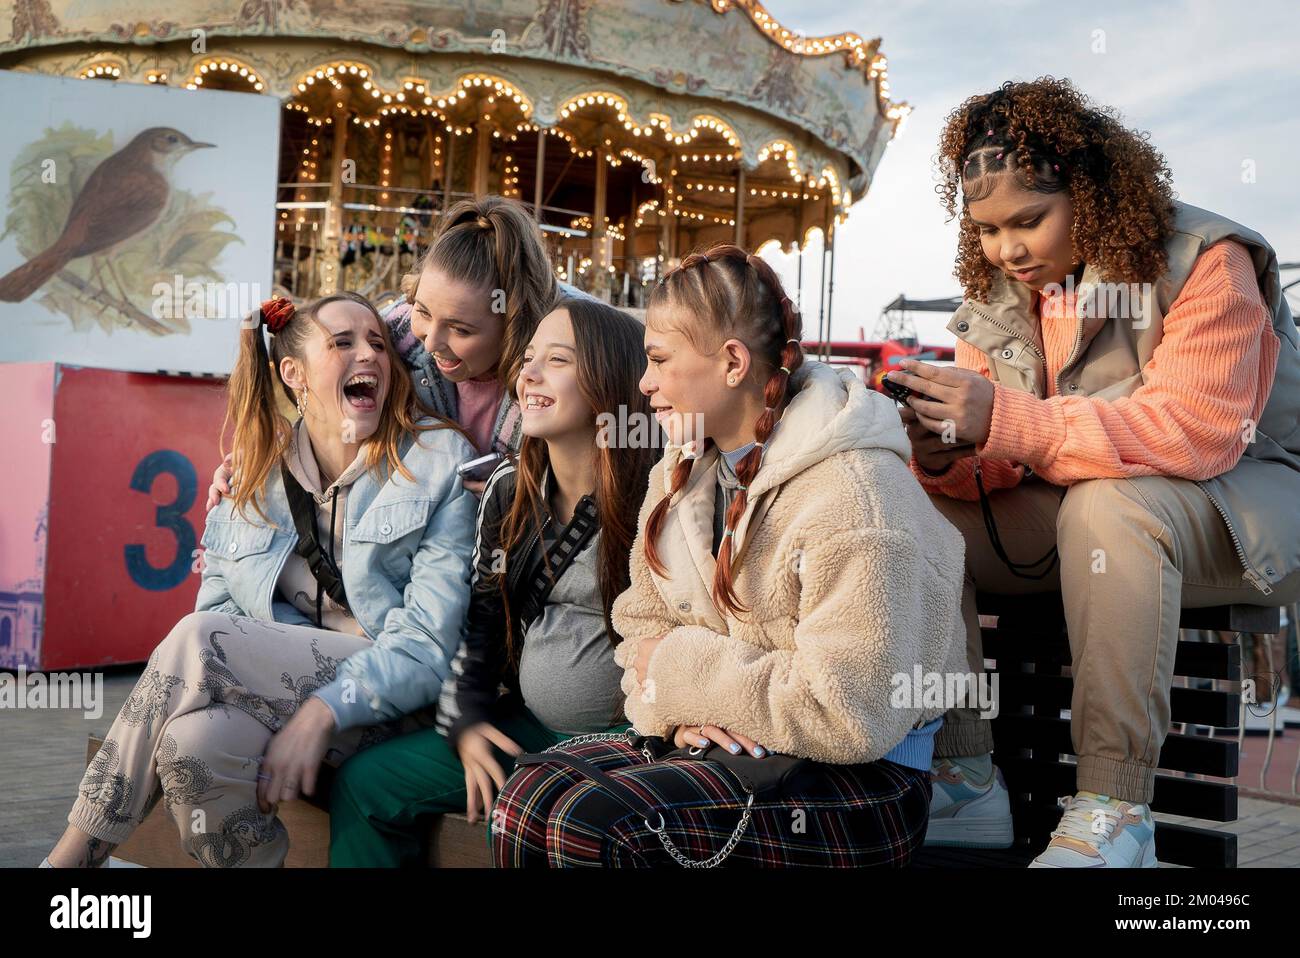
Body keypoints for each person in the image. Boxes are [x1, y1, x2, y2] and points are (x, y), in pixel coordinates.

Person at [887, 77, 1300, 867]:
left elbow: (1196, 435)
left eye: (1029, 221)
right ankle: (966, 776)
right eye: (986, 230)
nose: (1006, 250)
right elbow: (1014, 456)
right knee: (912, 512)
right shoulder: (998, 295)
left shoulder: (1209, 263)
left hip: (1255, 502)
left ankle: (1117, 811)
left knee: (1109, 511)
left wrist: (1000, 421)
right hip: (1088, 507)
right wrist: (947, 458)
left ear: (1093, 189)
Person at [489, 244, 967, 868]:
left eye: (658, 359)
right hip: (736, 750)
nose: (644, 382)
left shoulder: (856, 495)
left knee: (593, 825)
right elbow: (639, 629)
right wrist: (679, 712)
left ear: (733, 362)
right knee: (528, 795)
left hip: (860, 782)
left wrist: (690, 683)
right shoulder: (681, 471)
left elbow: (850, 708)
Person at [41, 292, 478, 867]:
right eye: (342, 343)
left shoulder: (439, 459)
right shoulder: (249, 479)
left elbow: (427, 649)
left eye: (377, 342)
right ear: (293, 373)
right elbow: (224, 624)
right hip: (280, 711)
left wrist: (324, 707)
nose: (368, 354)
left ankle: (69, 862)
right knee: (191, 745)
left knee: (198, 638)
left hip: (390, 711)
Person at [328, 298, 657, 866]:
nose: (527, 374)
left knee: (522, 822)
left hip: (628, 739)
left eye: (557, 360)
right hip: (526, 725)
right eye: (527, 358)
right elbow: (483, 620)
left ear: (610, 381)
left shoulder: (654, 491)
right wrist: (468, 719)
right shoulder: (510, 490)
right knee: (366, 782)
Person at [206, 194, 593, 507]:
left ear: (512, 321)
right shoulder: (395, 335)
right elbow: (321, 398)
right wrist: (261, 464)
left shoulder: (575, 352)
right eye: (423, 311)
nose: (432, 341)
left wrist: (520, 487)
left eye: (460, 329)